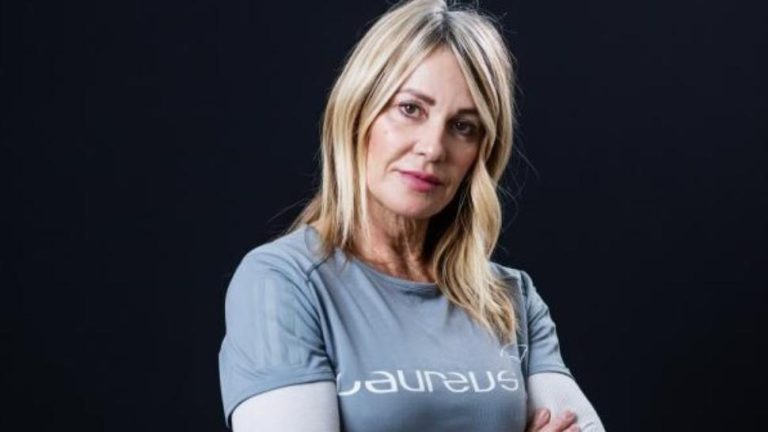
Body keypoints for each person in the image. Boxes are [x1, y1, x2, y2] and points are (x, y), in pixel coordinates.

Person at [218, 0, 606, 430]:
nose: (433, 148)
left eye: (463, 126)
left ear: (482, 151)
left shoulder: (508, 299)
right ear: (358, 110)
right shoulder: (282, 283)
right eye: (410, 109)